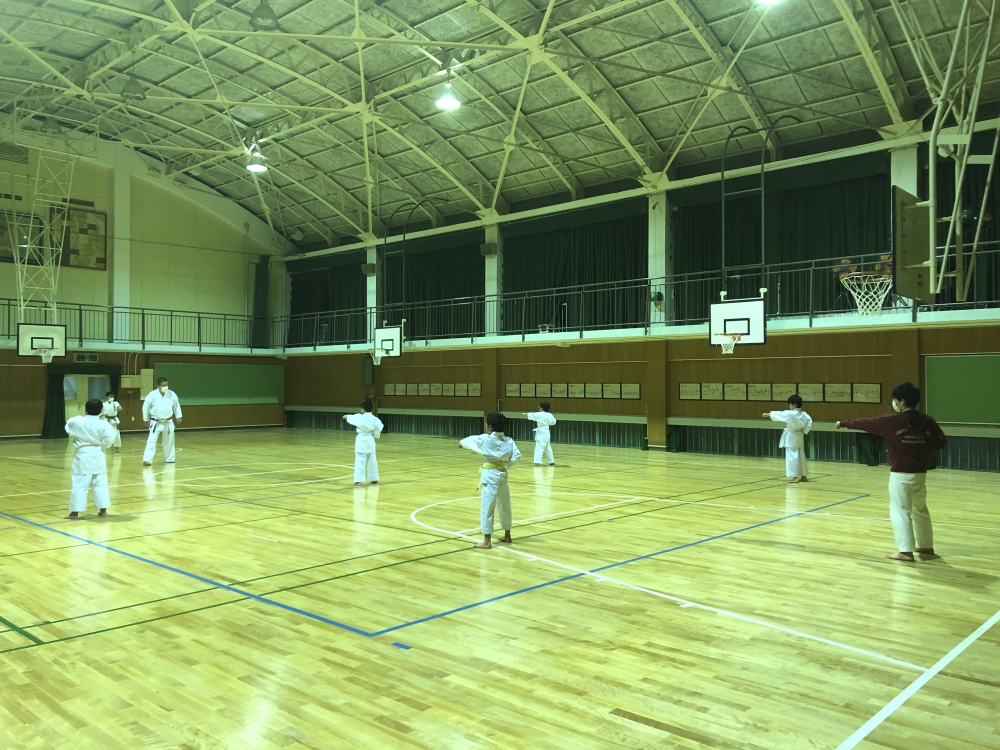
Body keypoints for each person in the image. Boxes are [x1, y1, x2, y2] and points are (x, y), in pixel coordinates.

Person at [837, 382, 948, 563]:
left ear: (902, 401)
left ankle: (905, 552)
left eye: (895, 400)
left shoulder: (892, 421)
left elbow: (866, 423)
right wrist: (922, 450)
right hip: (920, 474)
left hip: (901, 474)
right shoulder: (928, 421)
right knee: (920, 510)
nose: (894, 403)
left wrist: (843, 423)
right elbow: (941, 442)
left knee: (900, 511)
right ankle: (926, 546)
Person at [460, 411, 521, 549]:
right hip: (503, 474)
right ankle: (507, 534)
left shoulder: (485, 439)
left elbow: (469, 440)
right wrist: (507, 464)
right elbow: (517, 455)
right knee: (505, 505)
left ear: (490, 427)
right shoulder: (509, 441)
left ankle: (487, 541)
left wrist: (462, 444)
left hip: (489, 475)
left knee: (488, 507)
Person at [65, 398, 117, 520]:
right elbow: (109, 440)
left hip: (82, 455)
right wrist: (102, 443)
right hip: (97, 454)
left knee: (79, 484)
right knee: (100, 483)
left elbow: (68, 429)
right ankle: (103, 510)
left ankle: (74, 513)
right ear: (101, 410)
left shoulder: (77, 421)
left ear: (85, 409)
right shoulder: (104, 424)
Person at [763, 394, 813, 483]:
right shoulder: (805, 414)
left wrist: (768, 414)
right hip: (800, 435)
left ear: (794, 405)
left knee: (792, 456)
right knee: (801, 456)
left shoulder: (791, 413)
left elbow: (780, 414)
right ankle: (803, 476)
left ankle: (795, 477)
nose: (789, 406)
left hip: (791, 436)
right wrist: (804, 431)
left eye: (790, 404)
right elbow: (809, 423)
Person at [142, 377, 182, 466]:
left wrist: (178, 416)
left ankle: (170, 458)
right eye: (163, 385)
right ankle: (147, 459)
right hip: (155, 421)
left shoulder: (172, 394)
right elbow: (146, 407)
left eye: (167, 385)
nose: (166, 387)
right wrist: (146, 419)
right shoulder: (152, 395)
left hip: (168, 421)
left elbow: (176, 405)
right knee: (151, 441)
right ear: (158, 386)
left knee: (169, 441)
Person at [342, 399, 383, 485]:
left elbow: (347, 417)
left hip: (361, 441)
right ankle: (374, 479)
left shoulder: (359, 417)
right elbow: (380, 427)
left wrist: (345, 416)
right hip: (370, 440)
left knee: (360, 461)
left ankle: (358, 480)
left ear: (363, 409)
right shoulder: (375, 419)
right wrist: (374, 434)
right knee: (372, 461)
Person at [525, 401, 557, 466]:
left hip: (541, 433)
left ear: (541, 408)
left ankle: (537, 462)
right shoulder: (550, 415)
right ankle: (551, 461)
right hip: (547, 432)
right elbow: (553, 422)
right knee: (547, 447)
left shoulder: (540, 414)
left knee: (539, 447)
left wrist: (526, 414)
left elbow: (531, 415)